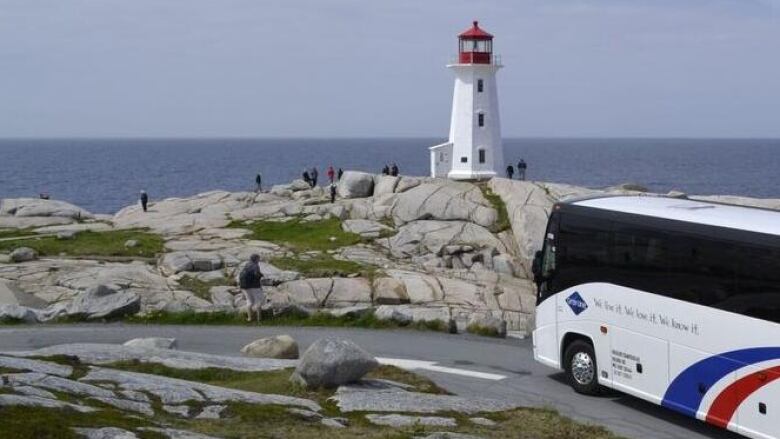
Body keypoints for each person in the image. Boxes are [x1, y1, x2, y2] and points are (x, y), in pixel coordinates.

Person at [238, 254, 265, 323]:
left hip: (244, 286)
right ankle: (259, 319)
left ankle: (250, 318)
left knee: (249, 302)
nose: (259, 260)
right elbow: (256, 274)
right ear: (256, 259)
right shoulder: (255, 265)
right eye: (259, 258)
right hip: (254, 286)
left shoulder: (247, 264)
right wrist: (261, 275)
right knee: (258, 302)